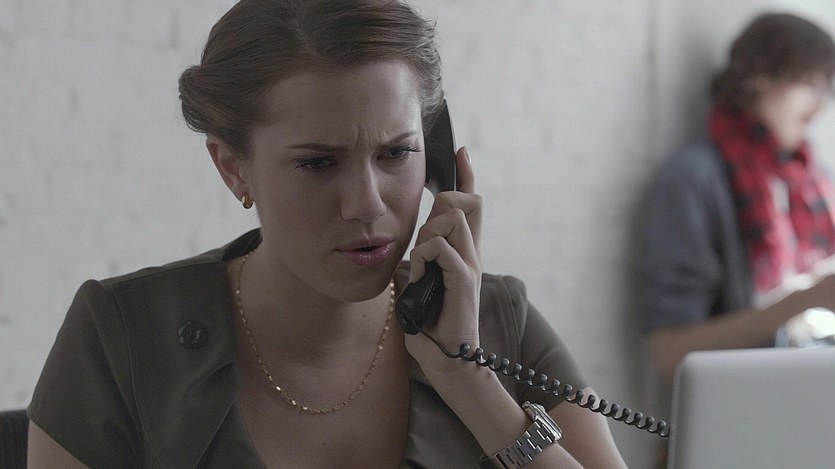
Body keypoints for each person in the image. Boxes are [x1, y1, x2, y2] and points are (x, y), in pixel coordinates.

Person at [26, 1, 627, 467]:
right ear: (233, 167)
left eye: (397, 154)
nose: (367, 204)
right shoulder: (122, 338)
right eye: (317, 163)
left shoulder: (498, 322)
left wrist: (469, 383)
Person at [641, 12, 835, 384]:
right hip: (744, 404)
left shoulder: (811, 180)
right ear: (759, 77)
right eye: (810, 84)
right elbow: (671, 352)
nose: (820, 108)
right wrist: (807, 299)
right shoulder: (694, 179)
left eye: (825, 88)